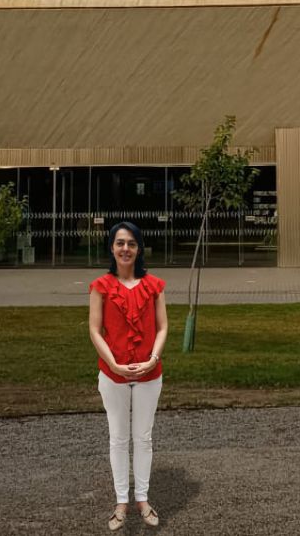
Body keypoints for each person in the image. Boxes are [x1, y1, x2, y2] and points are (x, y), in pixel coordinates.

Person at [89, 221, 168, 530]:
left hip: (149, 374)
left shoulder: (155, 286)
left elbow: (162, 327)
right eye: (120, 243)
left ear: (139, 248)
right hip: (113, 374)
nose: (126, 248)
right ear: (112, 247)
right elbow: (95, 330)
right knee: (119, 438)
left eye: (132, 243)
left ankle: (143, 499)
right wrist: (114, 364)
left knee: (143, 438)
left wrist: (152, 359)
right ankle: (121, 501)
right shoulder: (100, 286)